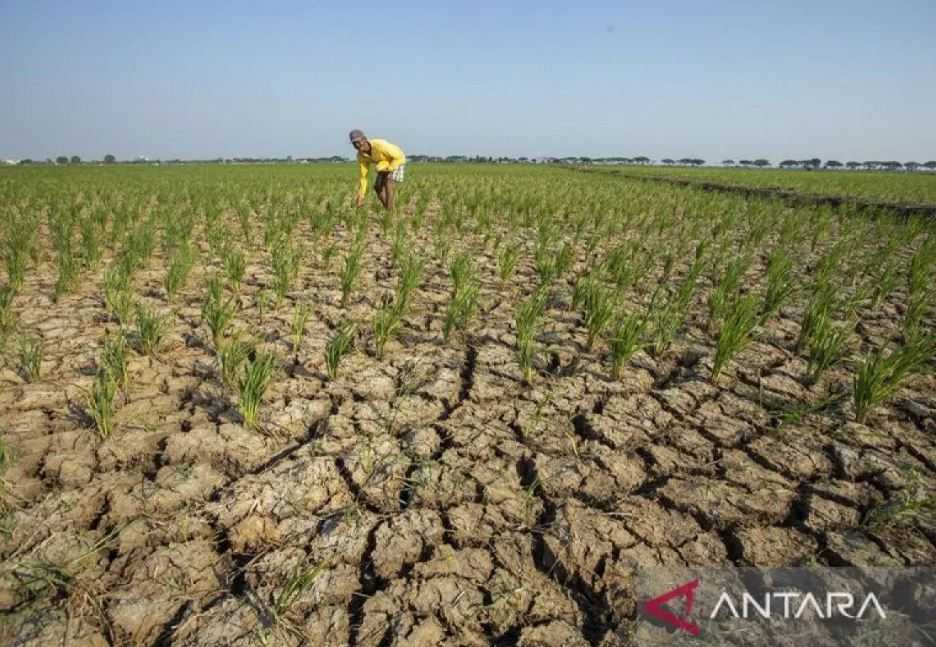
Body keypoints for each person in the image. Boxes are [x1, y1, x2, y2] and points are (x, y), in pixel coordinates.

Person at [349, 129, 406, 210]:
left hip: (396, 160)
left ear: (365, 139)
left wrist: (390, 169)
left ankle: (390, 211)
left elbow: (399, 157)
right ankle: (388, 209)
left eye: (358, 141)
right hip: (382, 164)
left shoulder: (380, 145)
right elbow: (363, 177)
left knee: (388, 182)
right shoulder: (361, 156)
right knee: (377, 187)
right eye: (354, 143)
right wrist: (361, 196)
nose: (357, 145)